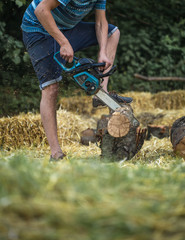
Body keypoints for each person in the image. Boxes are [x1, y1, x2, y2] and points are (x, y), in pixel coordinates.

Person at [21, 0, 133, 161]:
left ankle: (102, 93)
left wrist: (103, 52)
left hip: (66, 28)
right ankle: (56, 153)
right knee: (50, 88)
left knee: (112, 33)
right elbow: (41, 10)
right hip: (38, 30)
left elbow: (101, 22)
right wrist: (64, 43)